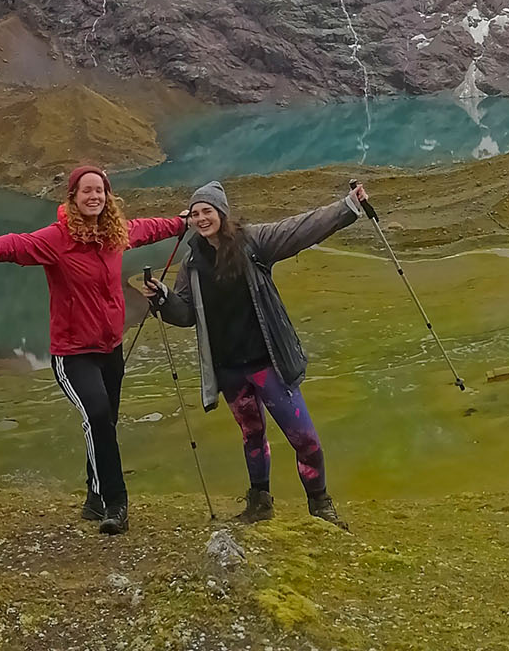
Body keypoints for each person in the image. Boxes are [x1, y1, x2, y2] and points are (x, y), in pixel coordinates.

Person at [0, 165, 185, 535]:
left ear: (107, 196)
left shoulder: (115, 233)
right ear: (73, 198)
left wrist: (180, 222)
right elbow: (17, 246)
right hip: (72, 354)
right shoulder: (56, 239)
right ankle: (116, 502)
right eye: (87, 191)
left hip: (110, 348)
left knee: (104, 423)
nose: (94, 196)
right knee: (97, 414)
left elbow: (149, 228)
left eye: (100, 191)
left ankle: (94, 500)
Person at [139, 179, 366, 530]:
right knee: (252, 436)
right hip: (230, 369)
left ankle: (320, 505)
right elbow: (185, 315)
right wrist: (164, 298)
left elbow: (301, 229)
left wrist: (347, 206)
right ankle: (260, 503)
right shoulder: (192, 263)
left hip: (267, 362)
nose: (201, 218)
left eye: (207, 211)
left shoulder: (253, 242)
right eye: (195, 213)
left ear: (221, 213)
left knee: (305, 440)